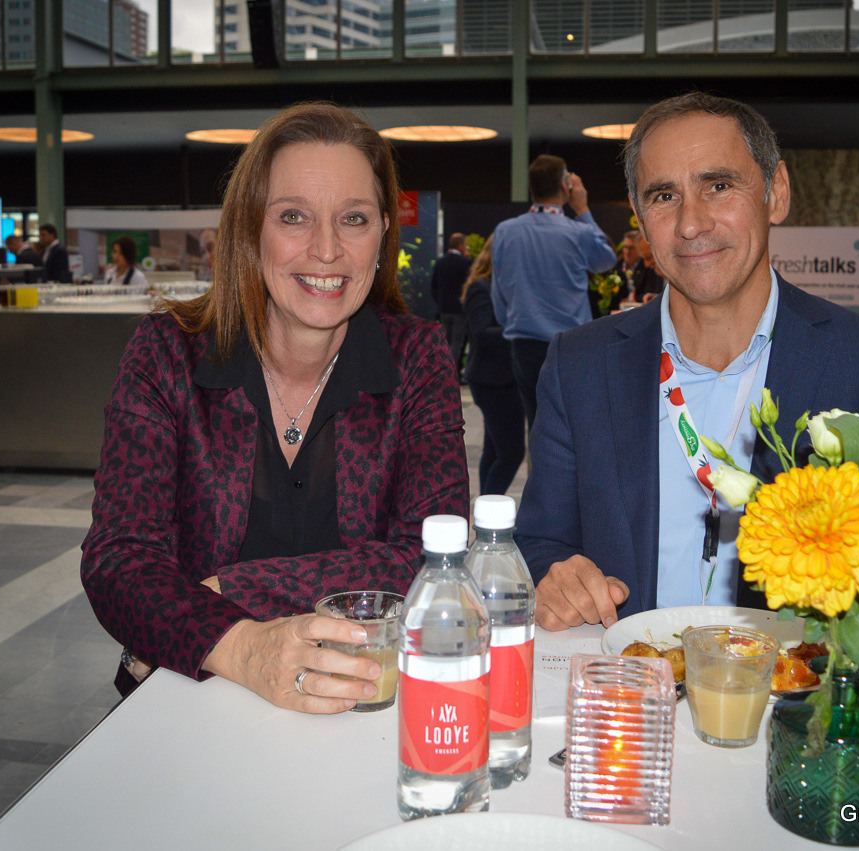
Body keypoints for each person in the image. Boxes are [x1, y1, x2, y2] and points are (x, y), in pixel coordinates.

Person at [515, 93, 859, 667]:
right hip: (630, 693)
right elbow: (541, 543)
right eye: (663, 196)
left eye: (719, 185)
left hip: (789, 701)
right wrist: (554, 579)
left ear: (777, 192)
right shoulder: (580, 365)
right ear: (640, 216)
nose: (691, 223)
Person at [80, 102, 468, 714]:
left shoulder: (418, 358)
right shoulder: (167, 353)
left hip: (363, 702)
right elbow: (119, 559)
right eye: (293, 217)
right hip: (190, 700)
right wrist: (245, 649)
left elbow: (432, 556)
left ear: (382, 234)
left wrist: (223, 590)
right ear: (249, 230)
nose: (326, 249)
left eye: (354, 219)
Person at [490, 154, 615, 428]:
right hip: (572, 346)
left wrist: (510, 323)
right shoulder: (578, 232)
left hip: (524, 345)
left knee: (536, 425)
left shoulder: (505, 231)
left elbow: (498, 293)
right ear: (564, 187)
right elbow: (606, 260)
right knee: (574, 427)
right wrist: (582, 209)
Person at [462, 242, 525, 495]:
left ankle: (485, 506)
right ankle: (489, 508)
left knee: (495, 450)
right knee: (511, 454)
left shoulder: (500, 287)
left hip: (501, 378)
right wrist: (521, 328)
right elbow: (482, 333)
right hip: (492, 380)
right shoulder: (481, 287)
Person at [430, 232, 472, 375]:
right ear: (460, 245)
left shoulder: (440, 262)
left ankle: (443, 371)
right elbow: (470, 286)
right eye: (465, 244)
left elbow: (434, 286)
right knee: (457, 342)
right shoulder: (466, 263)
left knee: (446, 342)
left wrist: (439, 302)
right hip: (460, 309)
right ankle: (451, 373)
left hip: (444, 308)